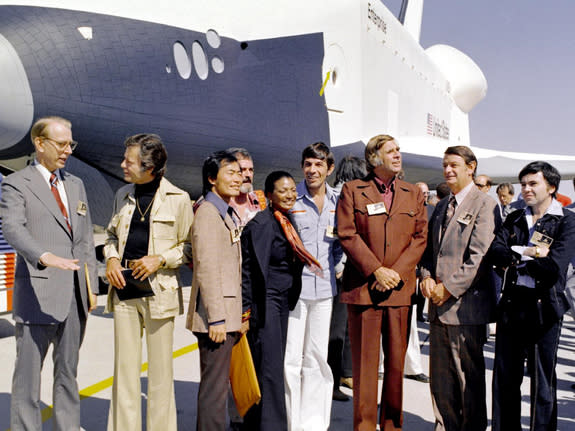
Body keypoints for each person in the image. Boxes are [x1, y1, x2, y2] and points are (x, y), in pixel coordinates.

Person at [0, 116, 97, 430]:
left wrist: (91, 286)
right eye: (61, 144)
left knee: (68, 375)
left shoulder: (76, 184)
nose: (68, 150)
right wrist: (43, 256)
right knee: (28, 379)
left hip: (75, 297)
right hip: (37, 294)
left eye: (71, 144)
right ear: (39, 144)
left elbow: (84, 240)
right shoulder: (17, 184)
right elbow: (13, 228)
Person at [337, 134, 427, 430]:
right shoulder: (353, 190)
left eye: (399, 149)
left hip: (398, 292)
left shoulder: (412, 192)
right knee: (364, 368)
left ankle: (391, 425)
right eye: (391, 151)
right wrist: (376, 270)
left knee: (396, 368)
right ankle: (363, 426)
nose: (398, 154)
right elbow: (347, 234)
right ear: (375, 158)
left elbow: (420, 238)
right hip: (364, 290)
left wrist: (394, 274)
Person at [104, 134, 193, 431]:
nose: (122, 165)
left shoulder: (179, 200)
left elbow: (189, 247)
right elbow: (111, 236)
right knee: (125, 371)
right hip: (124, 290)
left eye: (129, 161)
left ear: (150, 167)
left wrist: (160, 259)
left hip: (160, 292)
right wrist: (113, 259)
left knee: (160, 375)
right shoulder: (122, 195)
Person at [489, 161, 575, 431]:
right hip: (512, 304)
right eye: (523, 184)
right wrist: (531, 253)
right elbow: (495, 252)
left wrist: (516, 255)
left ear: (551, 187)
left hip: (544, 307)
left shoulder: (566, 221)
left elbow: (552, 269)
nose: (525, 189)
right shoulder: (514, 217)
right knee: (505, 379)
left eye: (532, 183)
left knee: (542, 383)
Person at [420, 146, 498, 431]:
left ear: (471, 167)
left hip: (465, 310)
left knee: (468, 381)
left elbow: (479, 257)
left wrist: (448, 289)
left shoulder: (485, 204)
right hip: (438, 307)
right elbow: (431, 252)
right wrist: (426, 277)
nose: (448, 170)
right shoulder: (441, 206)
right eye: (444, 165)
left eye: (454, 165)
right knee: (441, 381)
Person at [242, 171, 318, 430]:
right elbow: (249, 271)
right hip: (267, 302)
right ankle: (270, 425)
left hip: (283, 300)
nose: (290, 195)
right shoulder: (262, 224)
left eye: (292, 190)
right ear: (270, 195)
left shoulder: (284, 219)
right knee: (270, 367)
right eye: (283, 191)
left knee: (274, 364)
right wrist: (248, 311)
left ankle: (264, 423)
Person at [186, 150, 247, 431]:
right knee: (214, 391)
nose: (239, 178)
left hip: (224, 313)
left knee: (218, 387)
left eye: (240, 172)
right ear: (212, 178)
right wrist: (218, 319)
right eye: (231, 173)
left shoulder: (224, 210)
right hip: (216, 318)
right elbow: (208, 269)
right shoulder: (209, 214)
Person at [284, 142, 342, 431]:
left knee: (319, 358)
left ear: (329, 169)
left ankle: (314, 424)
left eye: (318, 164)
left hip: (324, 293)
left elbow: (341, 244)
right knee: (291, 359)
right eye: (308, 164)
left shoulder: (338, 201)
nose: (312, 170)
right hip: (295, 291)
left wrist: (339, 268)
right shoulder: (291, 198)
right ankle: (292, 421)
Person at [328, 156, 367, 401]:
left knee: (347, 327)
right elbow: (338, 235)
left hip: (351, 269)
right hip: (343, 270)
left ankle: (345, 372)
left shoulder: (346, 194)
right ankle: (334, 379)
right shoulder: (342, 196)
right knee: (338, 329)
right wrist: (340, 266)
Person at [228, 147, 266, 225]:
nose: (248, 175)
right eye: (242, 170)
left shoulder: (260, 202)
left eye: (251, 170)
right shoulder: (218, 204)